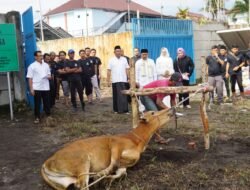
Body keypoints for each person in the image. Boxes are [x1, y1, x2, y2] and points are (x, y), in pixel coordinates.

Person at [141, 72, 183, 143]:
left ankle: (150, 130)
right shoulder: (163, 86)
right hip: (146, 95)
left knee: (162, 114)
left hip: (154, 98)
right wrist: (169, 109)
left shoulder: (173, 88)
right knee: (156, 115)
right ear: (172, 80)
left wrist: (174, 110)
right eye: (176, 83)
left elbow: (172, 100)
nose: (176, 86)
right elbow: (159, 102)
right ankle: (157, 137)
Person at [26, 51, 51, 124]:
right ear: (35, 57)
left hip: (46, 87)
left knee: (47, 102)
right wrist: (31, 89)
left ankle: (48, 115)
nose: (41, 57)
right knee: (37, 103)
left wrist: (49, 77)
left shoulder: (46, 65)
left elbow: (49, 74)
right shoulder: (32, 66)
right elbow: (29, 78)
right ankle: (37, 117)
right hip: (37, 87)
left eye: (41, 55)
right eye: (39, 56)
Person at [107, 45, 130, 114]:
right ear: (114, 52)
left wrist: (128, 78)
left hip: (124, 80)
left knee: (124, 95)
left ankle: (125, 110)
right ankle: (116, 110)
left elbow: (127, 69)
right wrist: (108, 80)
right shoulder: (111, 60)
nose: (118, 52)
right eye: (117, 51)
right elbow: (108, 70)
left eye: (119, 51)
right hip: (115, 80)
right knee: (116, 95)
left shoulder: (124, 59)